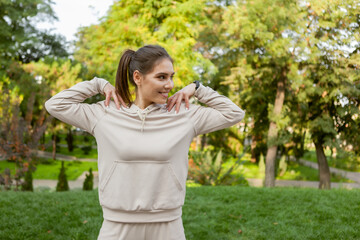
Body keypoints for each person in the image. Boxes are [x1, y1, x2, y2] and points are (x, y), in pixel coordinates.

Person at [45, 45, 245, 240]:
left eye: (171, 77)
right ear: (137, 77)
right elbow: (55, 105)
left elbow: (234, 114)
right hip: (117, 225)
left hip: (168, 224)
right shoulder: (105, 113)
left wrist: (198, 88)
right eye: (161, 77)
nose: (170, 85)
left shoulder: (184, 114)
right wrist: (98, 84)